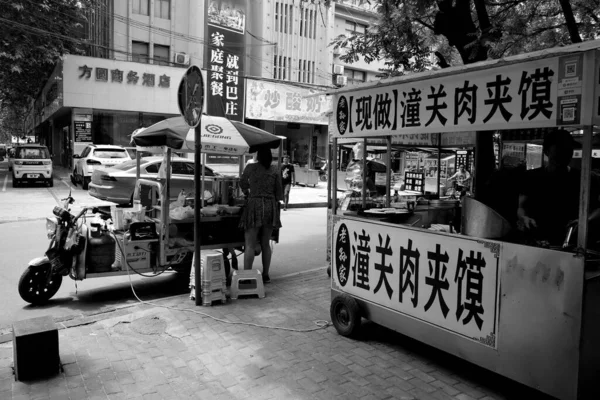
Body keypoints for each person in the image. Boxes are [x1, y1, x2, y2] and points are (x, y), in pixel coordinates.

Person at [517, 128, 600, 247]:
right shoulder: (531, 177)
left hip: (572, 242)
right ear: (546, 152)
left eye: (568, 153)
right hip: (536, 242)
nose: (563, 158)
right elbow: (521, 207)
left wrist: (585, 220)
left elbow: (597, 208)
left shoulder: (585, 179)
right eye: (558, 153)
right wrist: (523, 217)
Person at [239, 147, 283, 283]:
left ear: (257, 156)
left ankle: (247, 277)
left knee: (250, 244)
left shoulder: (251, 168)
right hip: (270, 207)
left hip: (254, 205)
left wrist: (248, 193)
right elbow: (279, 193)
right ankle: (265, 275)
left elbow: (242, 183)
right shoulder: (275, 170)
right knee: (265, 244)